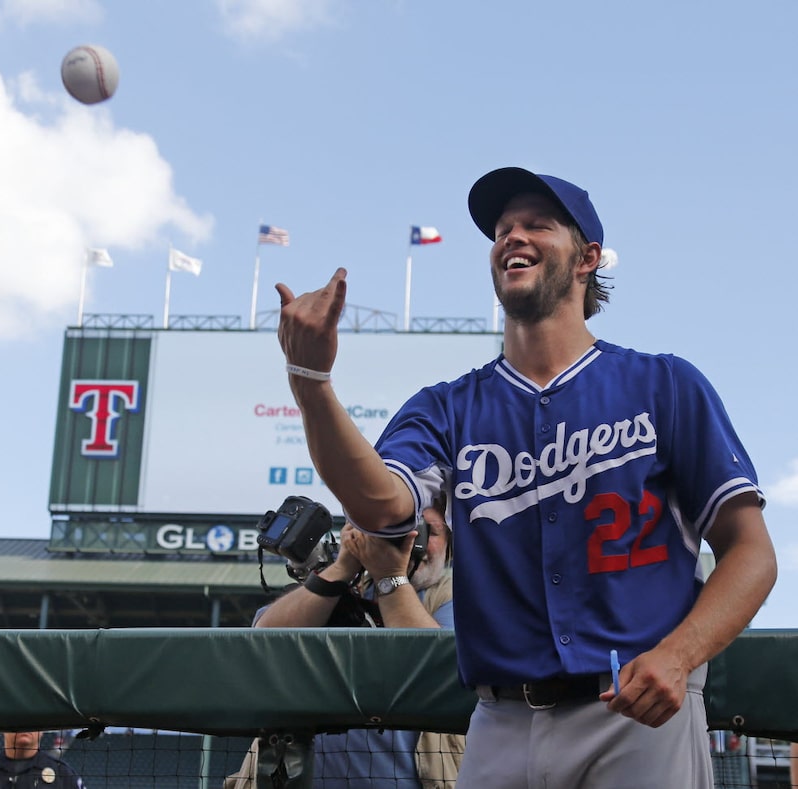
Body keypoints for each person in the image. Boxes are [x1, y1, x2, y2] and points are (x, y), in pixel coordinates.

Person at [273, 165, 778, 789]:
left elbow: (752, 553)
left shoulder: (664, 384)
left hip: (638, 715)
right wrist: (312, 383)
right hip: (499, 719)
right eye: (502, 228)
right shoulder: (447, 407)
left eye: (537, 224)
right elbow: (381, 507)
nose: (512, 235)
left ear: (588, 257)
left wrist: (680, 656)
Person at [229, 504, 463, 789]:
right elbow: (264, 640)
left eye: (429, 531)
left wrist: (389, 575)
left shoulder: (457, 596)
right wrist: (343, 567)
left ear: (450, 548)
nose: (413, 539)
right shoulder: (339, 584)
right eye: (399, 529)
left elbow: (434, 666)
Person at [0, 731, 86, 789]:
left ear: (42, 731)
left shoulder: (63, 775)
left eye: (31, 722)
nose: (24, 727)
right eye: (17, 720)